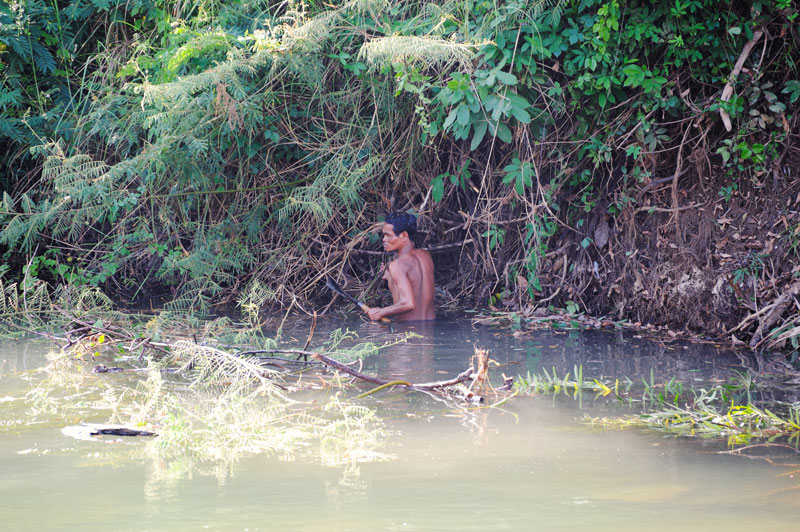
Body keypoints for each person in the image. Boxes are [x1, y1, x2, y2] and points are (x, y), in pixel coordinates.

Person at [366, 212, 435, 322]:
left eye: (388, 235)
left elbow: (408, 304)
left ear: (404, 236)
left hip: (407, 331)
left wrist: (380, 312)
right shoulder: (425, 255)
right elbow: (415, 283)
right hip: (430, 327)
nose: (384, 239)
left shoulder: (397, 265)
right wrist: (390, 277)